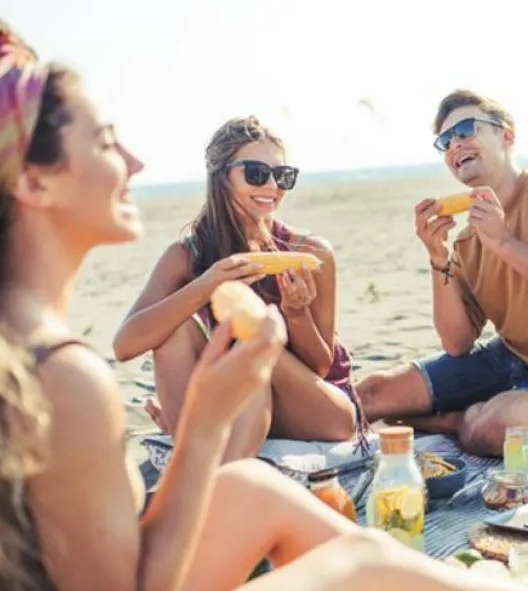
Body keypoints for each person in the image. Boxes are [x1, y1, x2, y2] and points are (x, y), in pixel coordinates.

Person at [0, 22, 528, 591]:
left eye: (280, 175)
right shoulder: (66, 377)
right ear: (31, 181)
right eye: (106, 143)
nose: (134, 160)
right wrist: (203, 423)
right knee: (357, 568)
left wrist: (287, 332)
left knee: (258, 494)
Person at [356, 89, 528, 456]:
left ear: (507, 135)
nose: (455, 144)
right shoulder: (469, 240)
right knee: (370, 394)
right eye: (445, 141)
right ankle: (465, 410)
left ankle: (452, 421)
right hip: (512, 357)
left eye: (466, 130)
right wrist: (438, 256)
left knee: (498, 429)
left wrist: (503, 243)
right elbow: (457, 343)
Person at [112, 115, 364, 461]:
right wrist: (206, 284)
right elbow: (126, 344)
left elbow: (321, 367)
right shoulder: (187, 256)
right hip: (239, 404)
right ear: (221, 176)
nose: (272, 187)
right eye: (256, 173)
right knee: (174, 328)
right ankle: (201, 451)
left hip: (321, 411)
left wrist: (296, 313)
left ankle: (212, 465)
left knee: (253, 346)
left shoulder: (309, 252)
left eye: (283, 176)